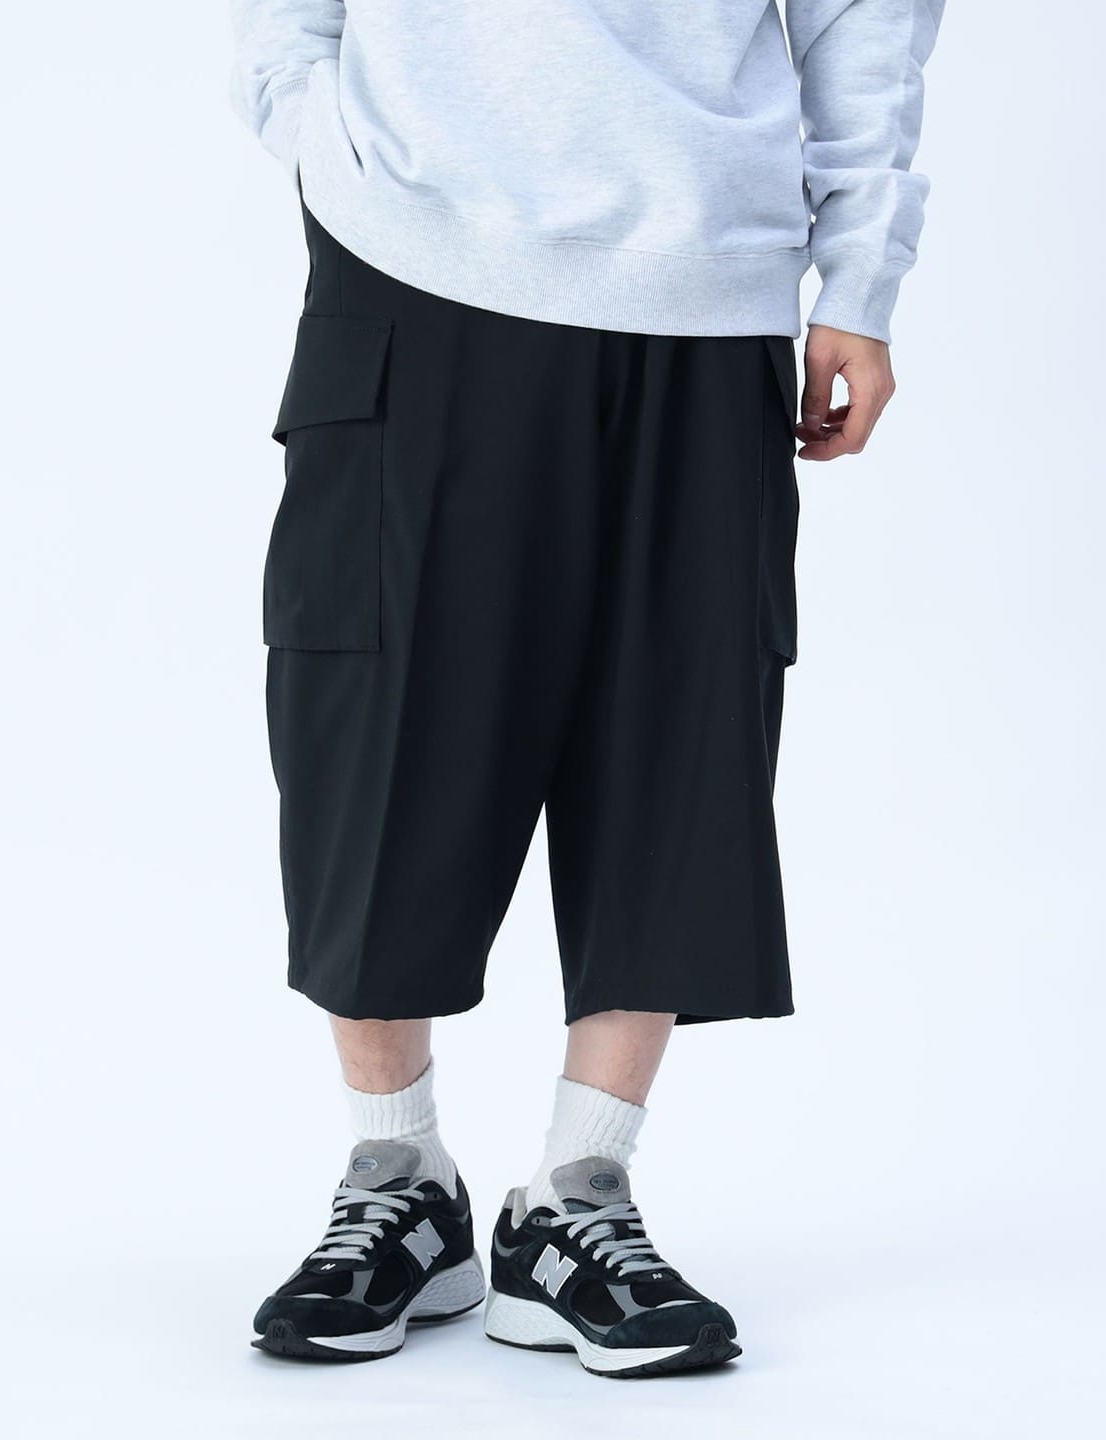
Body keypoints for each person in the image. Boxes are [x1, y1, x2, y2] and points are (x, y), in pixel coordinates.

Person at [230, 0, 945, 1377]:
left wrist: (861, 277)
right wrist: (338, 153)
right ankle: (397, 1175)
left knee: (674, 733)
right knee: (373, 719)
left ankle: (579, 1193)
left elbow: (862, 13)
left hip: (702, 274)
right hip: (413, 247)